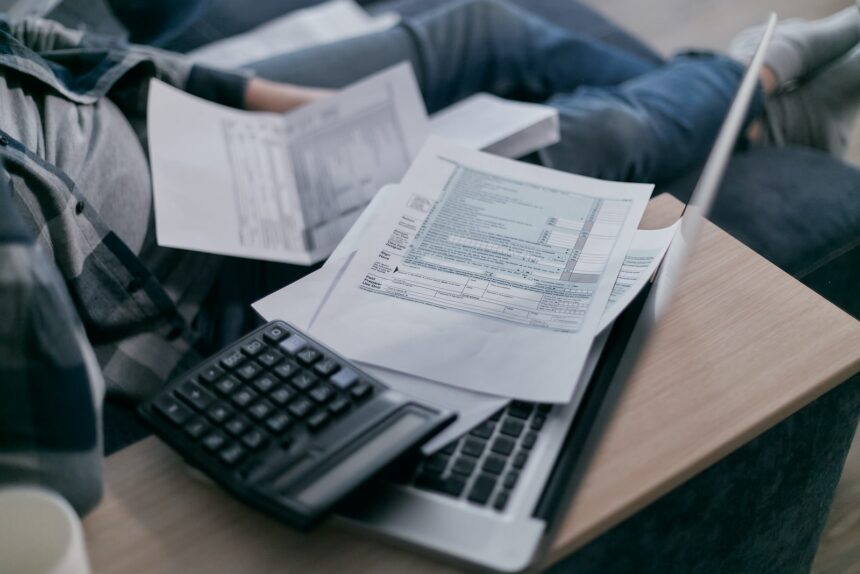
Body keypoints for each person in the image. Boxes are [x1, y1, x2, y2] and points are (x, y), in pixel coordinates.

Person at [1, 0, 858, 515]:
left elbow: (37, 41)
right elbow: (59, 485)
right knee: (590, 142)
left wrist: (258, 104)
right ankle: (757, 83)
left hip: (195, 141)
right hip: (196, 295)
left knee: (476, 27)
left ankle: (740, 110)